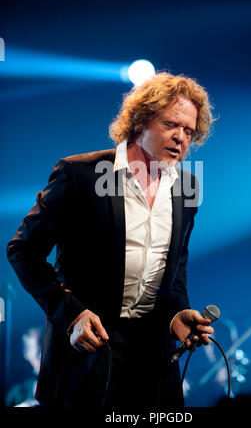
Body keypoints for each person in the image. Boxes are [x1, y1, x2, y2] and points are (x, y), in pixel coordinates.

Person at [7, 72, 215, 408]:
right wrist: (69, 314)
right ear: (140, 121)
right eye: (171, 125)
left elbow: (174, 267)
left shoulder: (186, 188)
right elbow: (23, 251)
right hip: (88, 351)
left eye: (189, 131)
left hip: (153, 358)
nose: (181, 138)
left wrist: (177, 313)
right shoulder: (79, 175)